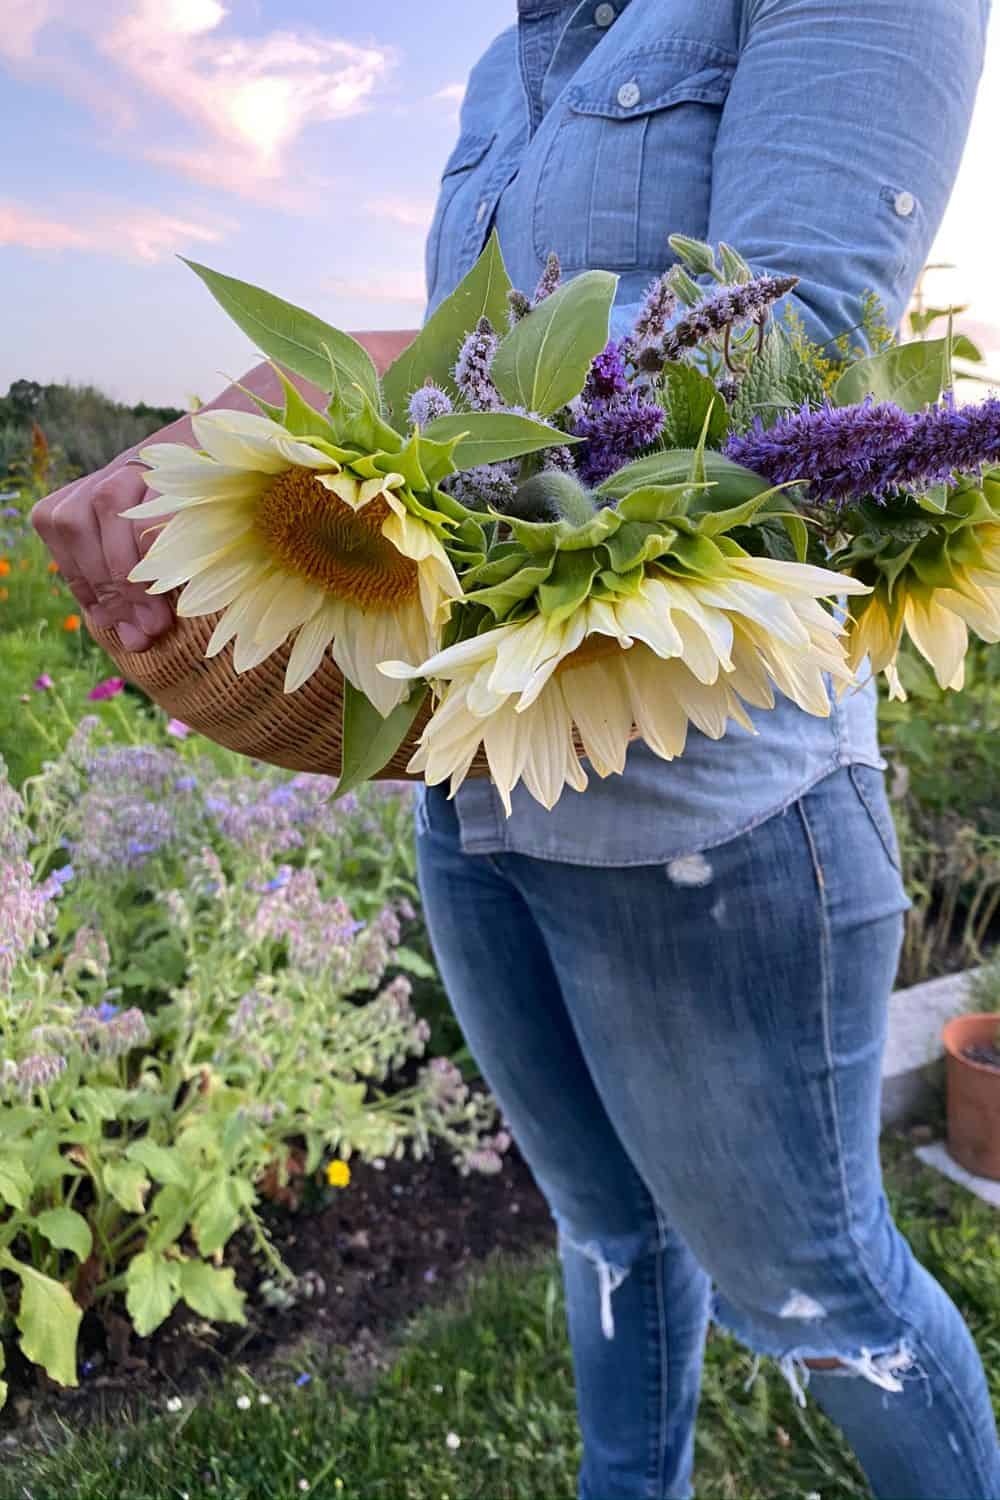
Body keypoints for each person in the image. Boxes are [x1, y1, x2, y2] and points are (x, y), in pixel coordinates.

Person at [32, 2, 1000, 1496]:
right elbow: (500, 404)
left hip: (707, 811)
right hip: (488, 755)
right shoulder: (516, 59)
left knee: (817, 1295)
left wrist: (353, 377)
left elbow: (796, 355)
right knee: (606, 1229)